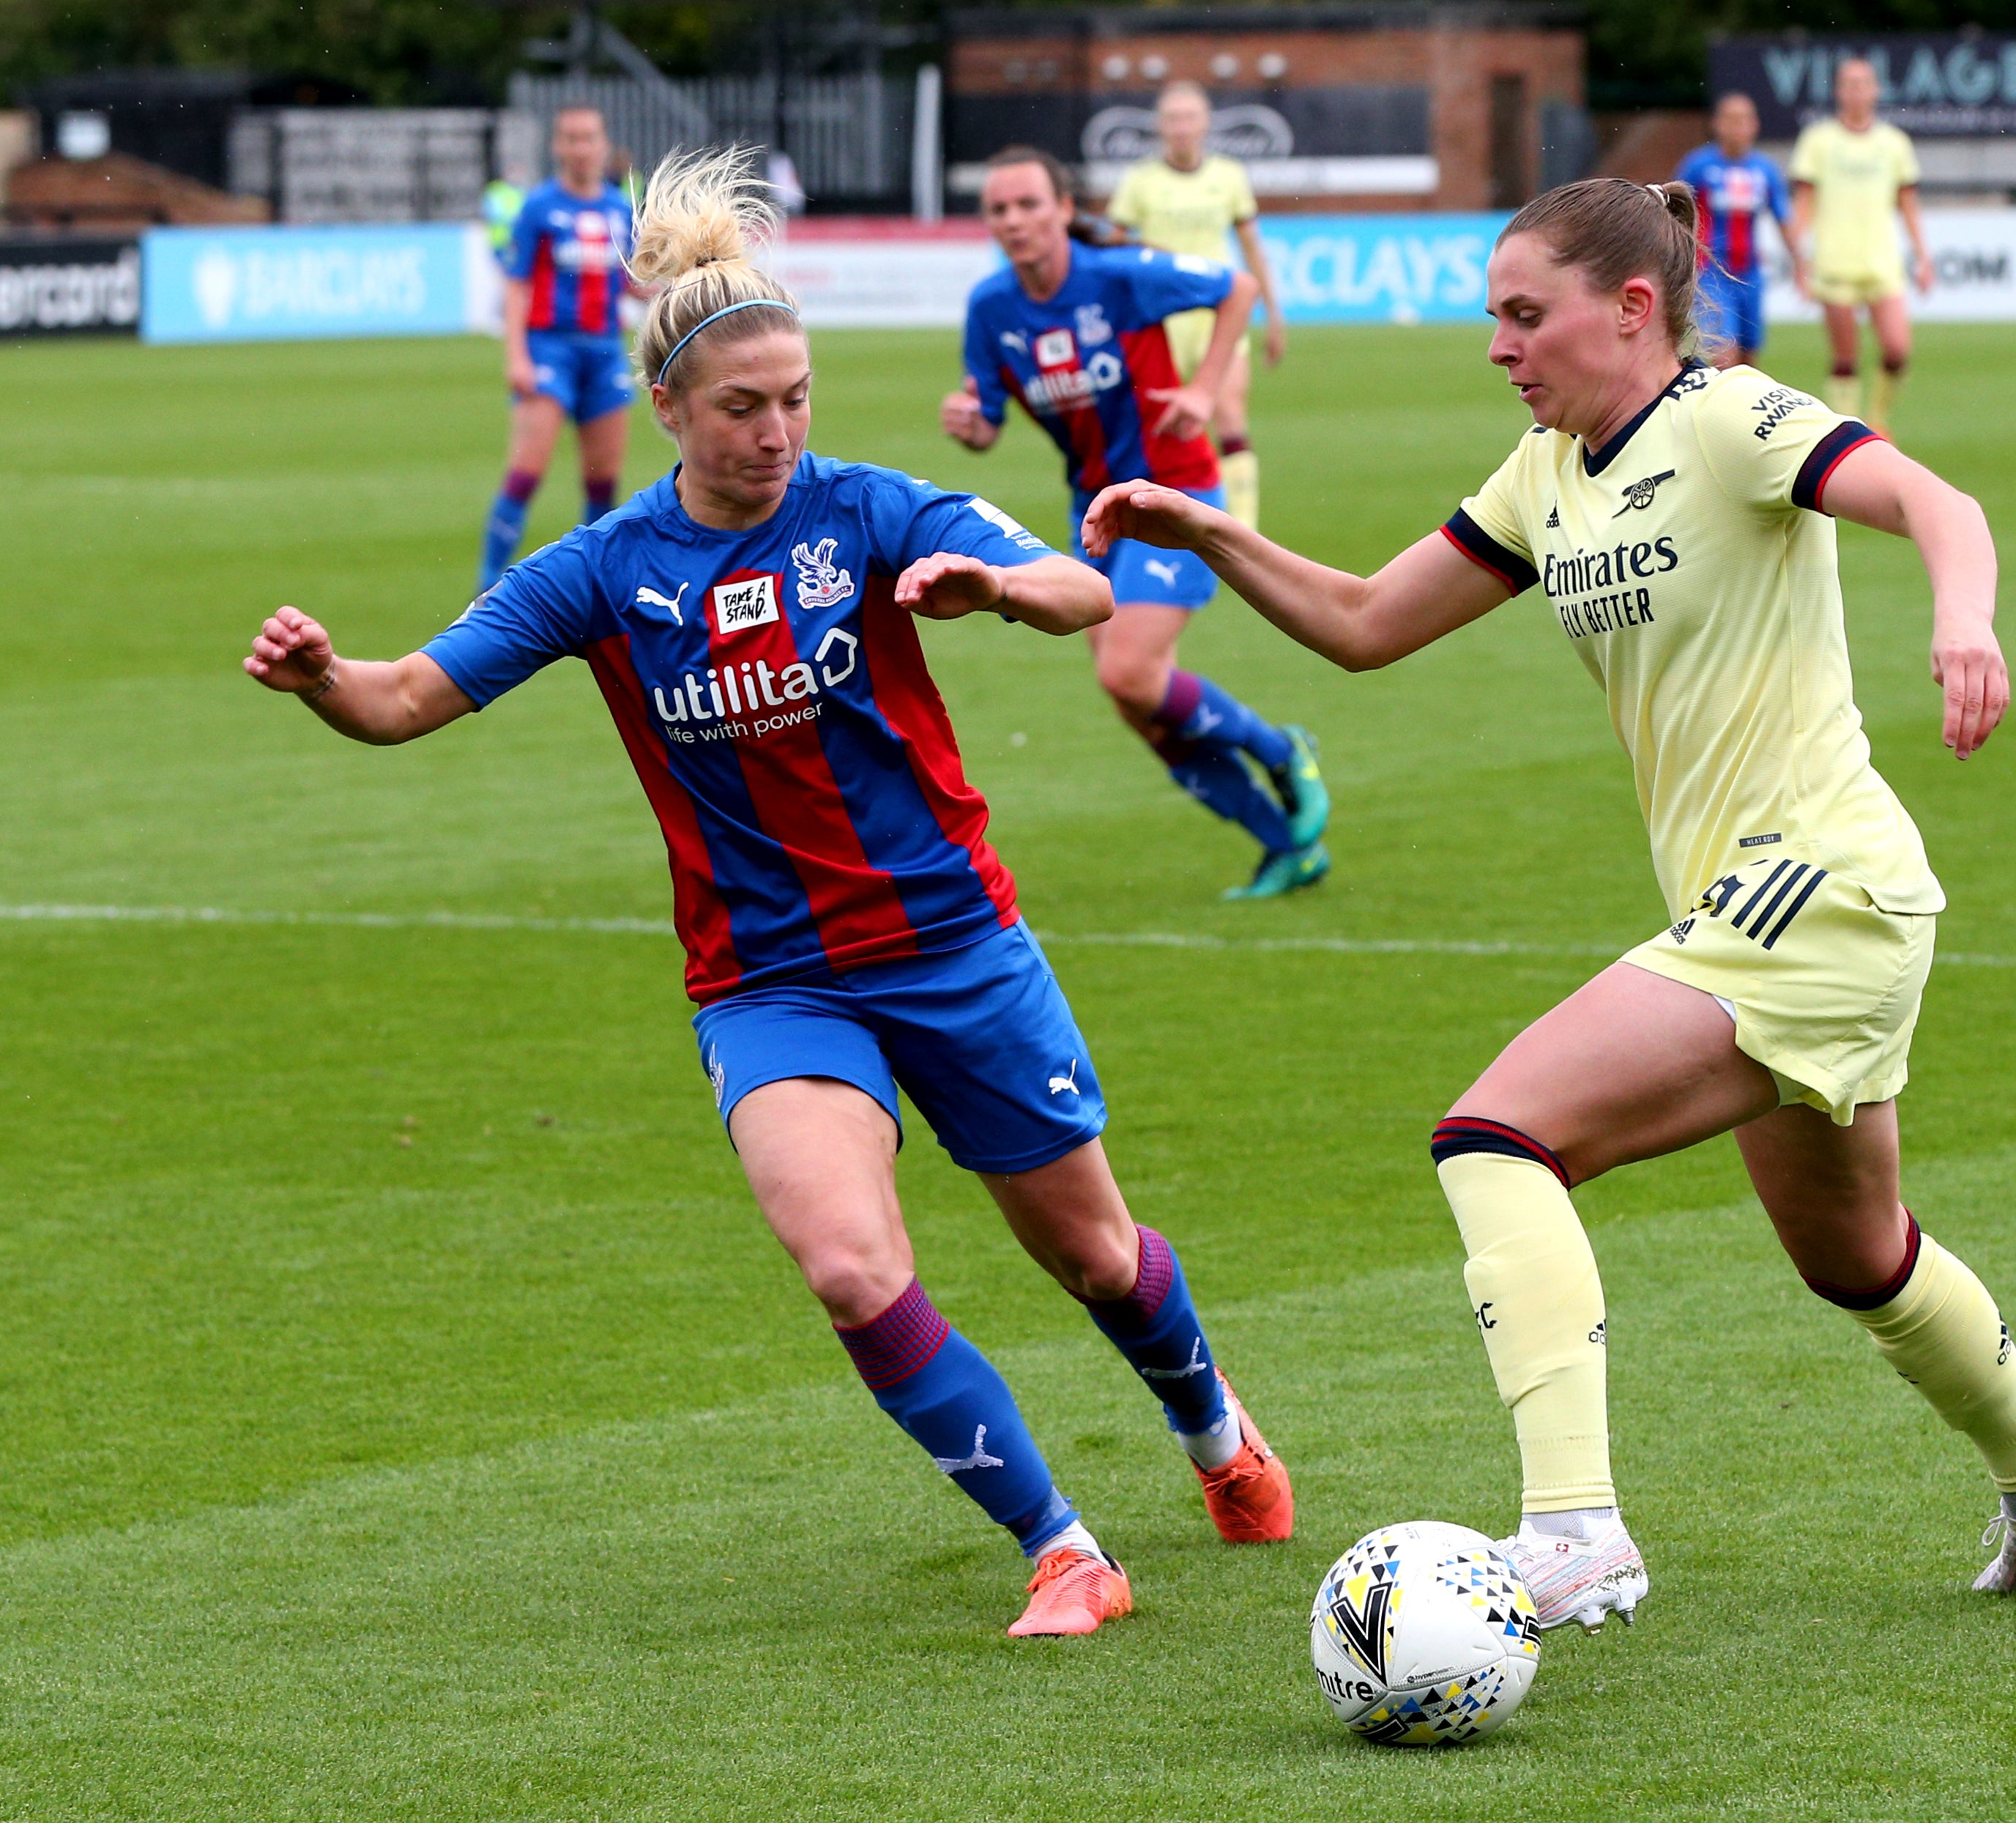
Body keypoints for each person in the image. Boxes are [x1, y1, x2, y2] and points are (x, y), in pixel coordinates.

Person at [245, 148, 1294, 1640]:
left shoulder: (868, 511)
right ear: (666, 405)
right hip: (771, 980)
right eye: (743, 407)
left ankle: (1214, 1431)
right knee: (850, 1260)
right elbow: (407, 693)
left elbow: (1084, 588)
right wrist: (320, 682)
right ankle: (1063, 1546)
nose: (778, 431)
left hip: (952, 941)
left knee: (1094, 1254)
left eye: (796, 397)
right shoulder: (603, 568)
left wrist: (991, 587)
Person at [1082, 177, 2016, 1626]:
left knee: (1495, 1135)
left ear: (1631, 307)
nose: (1501, 347)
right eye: (1495, 319)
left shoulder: (1728, 419)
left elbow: (1932, 499)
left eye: (1527, 315)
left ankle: (1574, 1526)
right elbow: (1367, 624)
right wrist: (1212, 535)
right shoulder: (1545, 473)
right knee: (1854, 1252)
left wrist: (1963, 617)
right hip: (1786, 905)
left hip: (1817, 883)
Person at [944, 145, 1331, 902]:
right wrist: (968, 424)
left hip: (1174, 495)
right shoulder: (991, 309)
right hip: (1093, 508)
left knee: (1127, 670)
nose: (1014, 220)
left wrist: (1205, 392)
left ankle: (1282, 752)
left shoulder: (1119, 278)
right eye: (998, 208)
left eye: (1029, 203)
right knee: (1132, 700)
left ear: (1063, 209)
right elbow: (986, 419)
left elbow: (1238, 286)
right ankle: (1284, 843)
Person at [1103, 81, 1288, 530]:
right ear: (1160, 128)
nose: (1182, 128)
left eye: (1190, 118)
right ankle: (1153, 523)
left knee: (1229, 416)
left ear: (1205, 124)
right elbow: (1113, 251)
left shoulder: (1227, 177)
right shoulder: (1139, 183)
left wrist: (1274, 317)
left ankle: (1242, 530)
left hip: (1217, 316)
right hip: (1160, 323)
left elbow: (1252, 248)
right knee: (1160, 426)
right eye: (1173, 119)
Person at [480, 106, 640, 590]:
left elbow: (634, 283)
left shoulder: (619, 208)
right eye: (570, 138)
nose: (580, 147)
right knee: (526, 471)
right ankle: (487, 586)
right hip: (549, 350)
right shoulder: (539, 207)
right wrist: (516, 355)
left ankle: (597, 586)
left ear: (604, 144)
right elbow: (517, 284)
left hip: (605, 350)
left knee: (603, 481)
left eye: (588, 137)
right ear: (557, 147)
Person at [1788, 60, 1931, 438]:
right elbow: (1804, 202)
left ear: (1875, 91)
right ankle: (1850, 431)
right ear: (1838, 91)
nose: (1856, 90)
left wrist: (1923, 256)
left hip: (1882, 263)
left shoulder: (1894, 143)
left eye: (1863, 83)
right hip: (1835, 262)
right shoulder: (1818, 141)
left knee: (1898, 349)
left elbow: (1908, 205)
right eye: (1848, 83)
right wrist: (1796, 254)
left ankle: (1878, 417)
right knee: (1845, 357)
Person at [1674, 92, 1804, 370]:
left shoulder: (1765, 170)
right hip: (1711, 274)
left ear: (1755, 125)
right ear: (1717, 124)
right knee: (1723, 356)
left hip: (1750, 276)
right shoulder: (1698, 166)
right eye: (1730, 119)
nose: (1737, 127)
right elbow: (1674, 215)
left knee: (1749, 360)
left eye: (1743, 120)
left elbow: (1784, 219)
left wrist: (1801, 263)